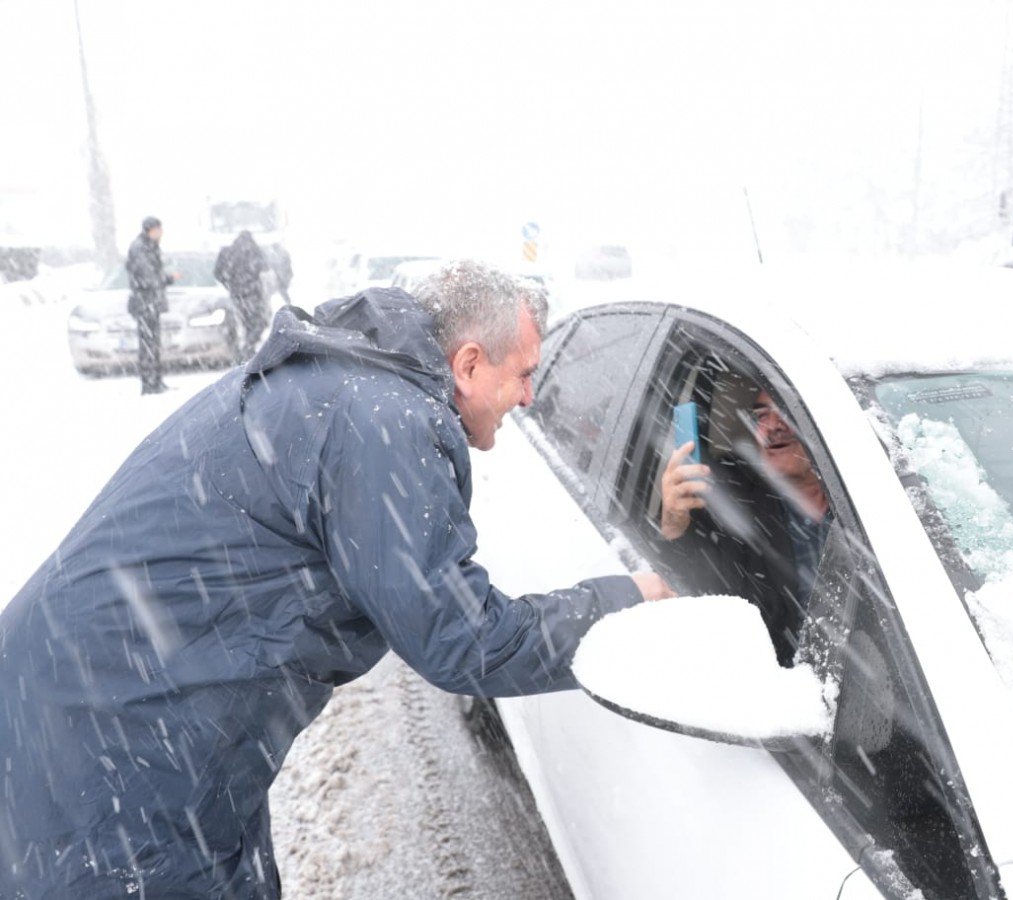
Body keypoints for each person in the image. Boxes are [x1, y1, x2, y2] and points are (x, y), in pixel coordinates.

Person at [0, 260, 672, 898]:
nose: (530, 395)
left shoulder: (346, 378)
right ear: (468, 363)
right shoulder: (384, 419)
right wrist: (620, 605)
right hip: (114, 744)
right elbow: (461, 638)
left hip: (103, 704)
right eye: (524, 373)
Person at [654, 388, 832, 666]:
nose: (772, 426)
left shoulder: (870, 496)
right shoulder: (732, 507)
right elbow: (692, 598)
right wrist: (674, 525)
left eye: (785, 411)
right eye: (761, 415)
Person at [125, 215, 175, 394]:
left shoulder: (149, 247)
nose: (161, 234)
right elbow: (148, 277)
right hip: (145, 303)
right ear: (149, 230)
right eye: (158, 230)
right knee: (148, 344)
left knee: (153, 343)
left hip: (150, 302)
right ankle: (149, 383)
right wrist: (167, 279)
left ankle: (156, 380)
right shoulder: (140, 249)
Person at [215, 229, 272, 359]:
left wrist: (229, 284)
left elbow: (218, 273)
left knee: (244, 323)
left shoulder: (227, 253)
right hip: (253, 294)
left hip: (237, 295)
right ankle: (248, 346)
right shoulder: (254, 251)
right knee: (259, 322)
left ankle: (245, 349)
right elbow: (265, 267)